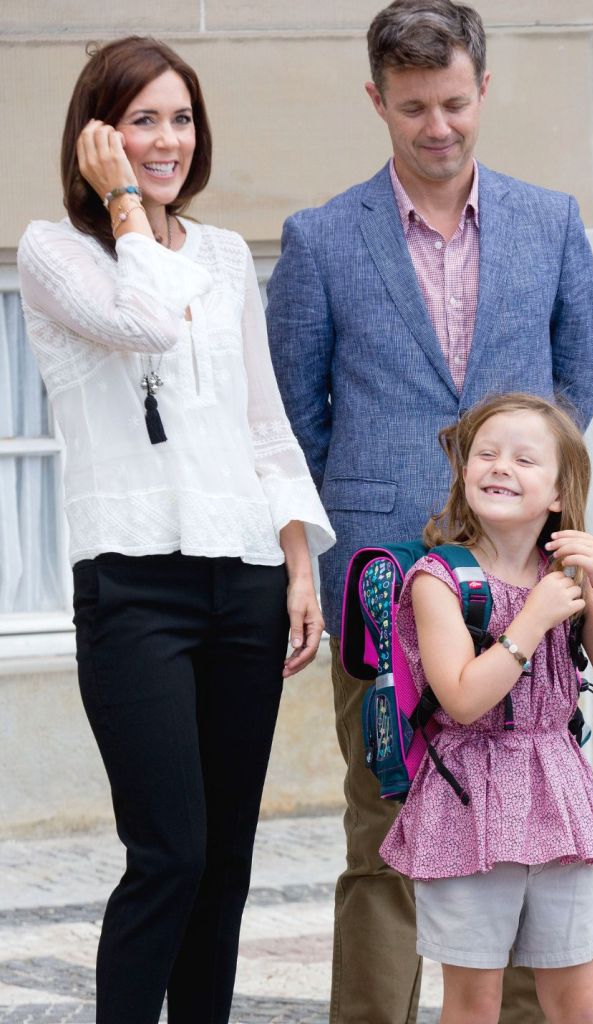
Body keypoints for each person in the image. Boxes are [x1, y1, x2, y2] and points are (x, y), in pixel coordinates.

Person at [266, 1, 593, 1019]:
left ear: (483, 90)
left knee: (522, 821)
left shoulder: (550, 222)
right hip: (380, 583)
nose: (437, 126)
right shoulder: (321, 239)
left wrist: (513, 500)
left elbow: (576, 382)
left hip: (520, 581)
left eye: (454, 102)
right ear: (378, 100)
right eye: (412, 106)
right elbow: (294, 422)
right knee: (384, 822)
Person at [17, 36, 334, 1024]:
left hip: (241, 576)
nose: (166, 140)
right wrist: (125, 205)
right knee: (170, 854)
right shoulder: (50, 251)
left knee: (227, 859)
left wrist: (297, 566)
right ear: (96, 134)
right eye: (142, 119)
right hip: (133, 587)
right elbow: (145, 319)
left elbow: (263, 423)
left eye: (181, 118)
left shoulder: (230, 256)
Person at [380, 393, 593, 1024]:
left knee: (577, 999)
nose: (500, 466)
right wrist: (531, 620)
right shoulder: (436, 579)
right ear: (463, 471)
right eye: (485, 454)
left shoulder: (568, 581)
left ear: (559, 493)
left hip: (556, 801)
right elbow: (465, 700)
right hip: (467, 804)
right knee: (474, 1002)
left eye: (525, 459)